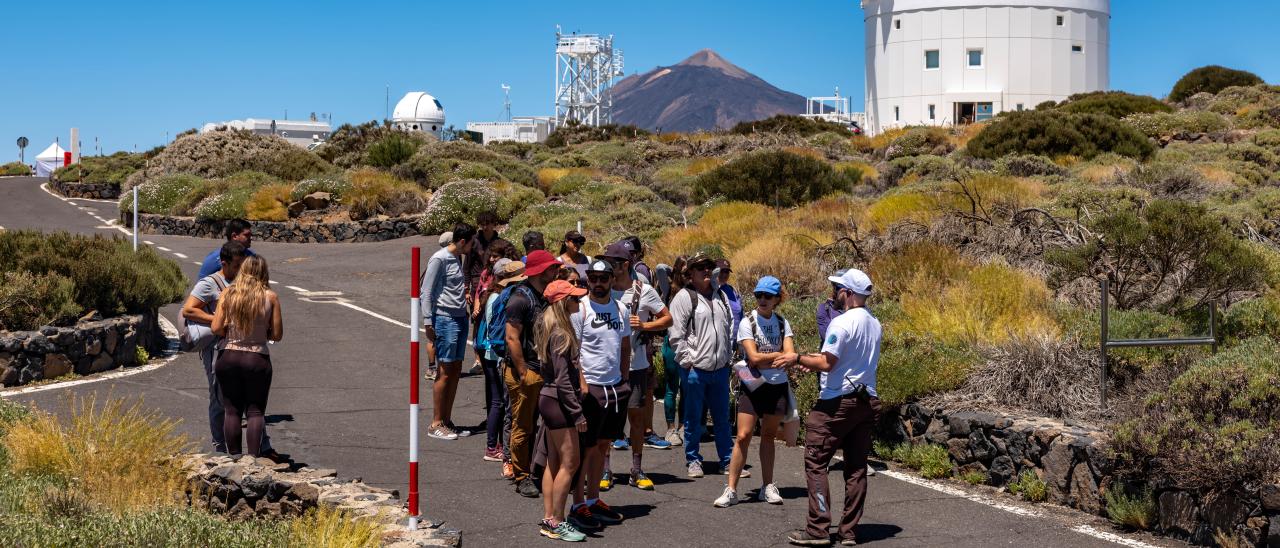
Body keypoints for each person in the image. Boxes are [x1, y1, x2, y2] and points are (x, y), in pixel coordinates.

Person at [788, 269, 882, 547]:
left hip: (836, 401)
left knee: (816, 460)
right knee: (856, 468)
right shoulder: (874, 323)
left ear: (848, 293)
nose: (835, 293)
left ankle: (818, 529)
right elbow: (843, 358)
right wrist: (813, 359)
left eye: (838, 288)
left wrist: (797, 358)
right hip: (866, 401)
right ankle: (848, 532)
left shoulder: (841, 323)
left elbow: (829, 363)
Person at [715, 276, 797, 508]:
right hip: (752, 387)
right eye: (758, 295)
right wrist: (777, 355)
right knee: (743, 435)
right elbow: (753, 357)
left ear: (776, 299)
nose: (762, 300)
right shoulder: (747, 322)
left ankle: (767, 486)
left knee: (768, 436)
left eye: (767, 296)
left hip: (776, 387)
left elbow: (790, 356)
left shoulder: (782, 323)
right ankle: (731, 489)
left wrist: (769, 358)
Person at [600, 241, 672, 492]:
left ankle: (636, 469)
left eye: (614, 263)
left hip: (636, 365)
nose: (610, 266)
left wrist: (644, 326)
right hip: (607, 366)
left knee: (637, 419)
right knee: (607, 421)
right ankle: (605, 469)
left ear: (626, 264)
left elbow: (667, 318)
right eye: (607, 262)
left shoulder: (644, 290)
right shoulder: (600, 289)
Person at [566, 258, 631, 531]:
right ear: (588, 279)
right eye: (593, 278)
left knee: (603, 446)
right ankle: (578, 504)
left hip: (615, 386)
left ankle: (594, 499)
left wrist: (625, 379)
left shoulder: (621, 309)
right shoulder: (580, 310)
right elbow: (573, 351)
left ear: (612, 280)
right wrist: (581, 385)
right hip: (591, 387)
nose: (598, 283)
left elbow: (625, 344)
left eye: (603, 279)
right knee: (586, 448)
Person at [668, 253, 736, 479]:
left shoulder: (721, 296)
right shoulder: (684, 298)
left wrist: (728, 358)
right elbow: (676, 335)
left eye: (708, 267)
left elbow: (728, 328)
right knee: (693, 418)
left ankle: (727, 461)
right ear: (690, 274)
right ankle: (693, 460)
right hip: (696, 369)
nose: (706, 271)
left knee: (722, 419)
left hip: (720, 368)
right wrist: (689, 363)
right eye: (700, 268)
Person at [210, 255, 283, 457]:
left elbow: (216, 327)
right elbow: (277, 334)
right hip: (256, 357)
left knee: (231, 410)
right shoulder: (270, 297)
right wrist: (262, 333)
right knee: (255, 412)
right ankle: (253, 460)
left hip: (229, 356)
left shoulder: (228, 293)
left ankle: (234, 458)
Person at [536, 279, 590, 543]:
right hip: (559, 402)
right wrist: (577, 413)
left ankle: (550, 518)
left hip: (549, 399)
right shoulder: (561, 333)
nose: (578, 301)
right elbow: (564, 380)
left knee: (553, 463)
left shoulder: (550, 326)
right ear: (562, 302)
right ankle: (557, 521)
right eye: (575, 298)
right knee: (571, 463)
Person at [181, 240, 248, 454]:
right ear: (224, 263)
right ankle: (220, 447)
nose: (240, 270)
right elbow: (188, 310)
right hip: (216, 349)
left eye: (242, 265)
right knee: (219, 397)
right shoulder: (209, 283)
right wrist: (216, 321)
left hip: (239, 346)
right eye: (236, 265)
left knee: (239, 398)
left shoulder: (242, 282)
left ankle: (237, 449)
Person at [506, 250, 563, 498]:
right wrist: (522, 371)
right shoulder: (520, 299)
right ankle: (521, 475)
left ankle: (538, 469)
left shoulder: (544, 296)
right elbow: (511, 337)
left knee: (543, 424)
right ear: (541, 271)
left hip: (543, 370)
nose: (556, 272)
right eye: (552, 268)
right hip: (526, 371)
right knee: (524, 425)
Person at [422, 223, 477, 440]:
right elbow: (426, 291)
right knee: (444, 370)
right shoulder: (440, 258)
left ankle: (446, 420)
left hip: (459, 317)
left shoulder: (458, 257)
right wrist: (428, 321)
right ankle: (436, 423)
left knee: (455, 369)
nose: (473, 247)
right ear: (463, 241)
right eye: (471, 242)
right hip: (444, 318)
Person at [480, 257, 524, 463]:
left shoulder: (495, 296)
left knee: (497, 402)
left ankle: (495, 444)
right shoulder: (500, 299)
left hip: (492, 354)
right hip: (495, 355)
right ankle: (492, 446)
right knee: (499, 403)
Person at [658, 256, 688, 447]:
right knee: (672, 387)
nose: (688, 275)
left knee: (686, 388)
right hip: (671, 342)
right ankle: (670, 429)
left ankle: (684, 426)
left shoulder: (694, 290)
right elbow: (660, 267)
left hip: (689, 342)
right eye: (684, 271)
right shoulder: (670, 288)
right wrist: (675, 271)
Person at [425, 231, 453, 382]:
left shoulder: (438, 256)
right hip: (438, 306)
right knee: (434, 338)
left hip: (435, 305)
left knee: (433, 339)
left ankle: (432, 367)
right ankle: (433, 368)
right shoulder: (443, 258)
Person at [715, 259, 743, 343]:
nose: (724, 274)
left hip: (737, 340)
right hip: (720, 342)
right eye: (721, 271)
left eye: (727, 272)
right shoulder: (711, 291)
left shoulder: (733, 290)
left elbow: (741, 314)